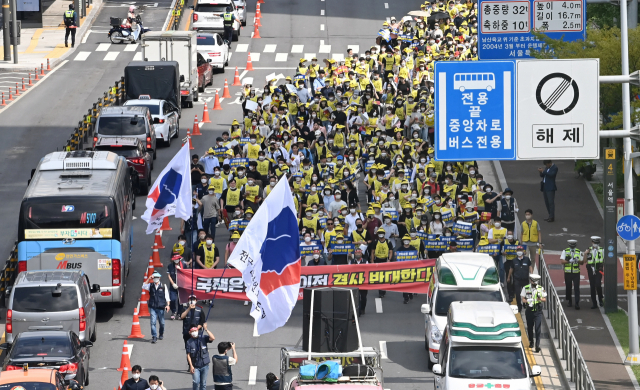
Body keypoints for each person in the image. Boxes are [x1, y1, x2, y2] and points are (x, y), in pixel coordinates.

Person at [522, 274, 547, 353]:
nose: (535, 283)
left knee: (537, 328)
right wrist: (527, 301)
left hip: (538, 311)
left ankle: (537, 345)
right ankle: (531, 342)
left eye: (536, 282)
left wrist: (540, 299)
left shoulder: (541, 288)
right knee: (529, 328)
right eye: (534, 282)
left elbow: (544, 299)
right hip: (529, 311)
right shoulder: (525, 288)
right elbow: (523, 299)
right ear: (531, 281)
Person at [142, 271, 169, 343]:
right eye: (154, 277)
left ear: (159, 278)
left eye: (157, 277)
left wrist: (168, 305)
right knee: (153, 322)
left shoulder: (163, 286)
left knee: (162, 323)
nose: (155, 279)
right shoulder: (150, 285)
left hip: (161, 307)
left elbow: (167, 297)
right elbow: (143, 286)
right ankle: (154, 336)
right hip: (153, 307)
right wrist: (149, 278)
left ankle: (161, 333)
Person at [186, 324, 215, 390]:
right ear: (190, 333)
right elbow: (188, 355)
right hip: (195, 366)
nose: (194, 332)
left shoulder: (203, 338)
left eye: (195, 330)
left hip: (204, 365)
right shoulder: (189, 342)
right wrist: (191, 366)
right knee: (196, 382)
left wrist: (206, 329)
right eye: (192, 331)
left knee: (203, 383)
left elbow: (212, 338)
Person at [369, 227, 394, 298]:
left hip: (385, 260)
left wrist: (389, 259)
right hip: (377, 260)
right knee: (379, 276)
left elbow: (390, 251)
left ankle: (384, 289)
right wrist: (372, 261)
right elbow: (372, 252)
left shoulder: (388, 242)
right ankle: (380, 292)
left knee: (385, 276)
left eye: (382, 233)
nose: (381, 234)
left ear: (384, 234)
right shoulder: (375, 242)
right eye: (379, 233)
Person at [508, 245, 532, 313]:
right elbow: (511, 269)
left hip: (525, 279)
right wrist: (509, 277)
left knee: (527, 293)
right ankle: (519, 306)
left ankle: (526, 304)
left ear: (523, 251)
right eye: (518, 250)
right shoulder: (514, 260)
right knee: (518, 294)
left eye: (520, 250)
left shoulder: (527, 259)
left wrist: (531, 274)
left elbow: (530, 266)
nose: (519, 252)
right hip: (517, 280)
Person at [561, 239, 583, 309]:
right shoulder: (565, 251)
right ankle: (569, 301)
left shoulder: (579, 251)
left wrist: (577, 260)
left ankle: (577, 303)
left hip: (576, 272)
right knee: (568, 287)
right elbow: (562, 261)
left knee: (576, 288)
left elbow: (582, 262)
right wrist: (568, 261)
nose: (572, 247)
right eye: (571, 245)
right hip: (568, 272)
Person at [585, 236, 604, 309]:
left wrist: (602, 266)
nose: (595, 244)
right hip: (590, 270)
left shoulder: (602, 250)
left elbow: (604, 259)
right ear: (592, 242)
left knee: (598, 285)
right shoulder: (588, 249)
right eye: (594, 242)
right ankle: (594, 303)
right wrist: (585, 254)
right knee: (592, 286)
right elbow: (584, 261)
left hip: (598, 270)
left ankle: (600, 300)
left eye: (596, 243)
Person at [166, 254, 187, 319]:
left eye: (177, 259)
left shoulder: (184, 265)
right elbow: (169, 275)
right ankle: (173, 311)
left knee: (180, 300)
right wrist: (173, 284)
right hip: (173, 285)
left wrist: (181, 270)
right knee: (172, 299)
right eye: (174, 259)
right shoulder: (170, 266)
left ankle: (179, 313)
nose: (176, 261)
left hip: (181, 285)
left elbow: (186, 274)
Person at [349, 247, 368, 315]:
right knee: (356, 297)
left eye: (359, 253)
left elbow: (368, 271)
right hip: (354, 282)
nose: (358, 254)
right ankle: (358, 311)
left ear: (361, 254)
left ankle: (362, 309)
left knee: (363, 297)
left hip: (363, 282)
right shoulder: (351, 262)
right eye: (356, 253)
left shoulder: (365, 262)